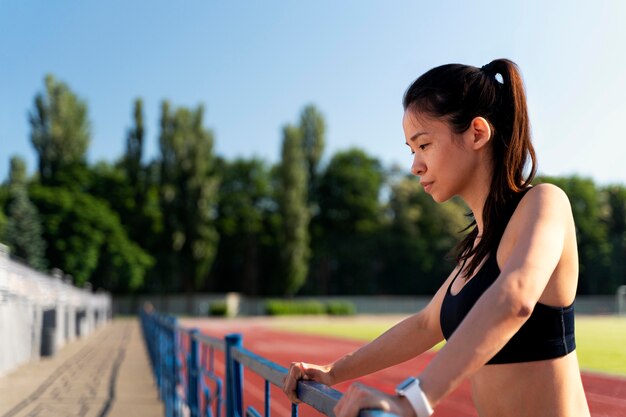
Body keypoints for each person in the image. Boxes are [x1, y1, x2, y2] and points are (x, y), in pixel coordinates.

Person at [282, 59, 591, 417]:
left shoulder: (544, 202)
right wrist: (333, 372)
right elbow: (425, 324)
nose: (414, 165)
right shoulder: (476, 248)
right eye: (411, 150)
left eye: (424, 145)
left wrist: (411, 401)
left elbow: (515, 297)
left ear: (477, 133)